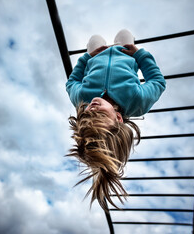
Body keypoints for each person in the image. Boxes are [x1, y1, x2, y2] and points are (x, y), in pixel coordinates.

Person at [66, 29, 166, 212]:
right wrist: (140, 55)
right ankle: (124, 40)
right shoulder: (137, 102)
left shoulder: (81, 98)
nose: (92, 109)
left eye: (87, 114)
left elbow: (71, 83)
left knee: (95, 38)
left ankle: (94, 45)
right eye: (101, 115)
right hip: (124, 52)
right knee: (124, 33)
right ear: (118, 118)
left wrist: (86, 59)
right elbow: (158, 82)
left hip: (95, 55)